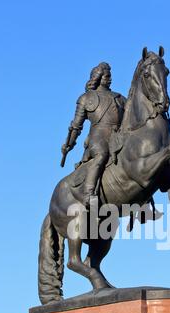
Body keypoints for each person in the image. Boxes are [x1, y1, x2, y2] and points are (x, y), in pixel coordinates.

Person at [61, 62, 126, 208]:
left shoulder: (120, 98)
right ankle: (89, 193)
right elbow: (76, 127)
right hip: (98, 137)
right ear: (98, 77)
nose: (110, 79)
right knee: (101, 155)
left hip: (118, 136)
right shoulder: (85, 99)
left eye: (111, 76)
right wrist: (69, 144)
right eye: (107, 76)